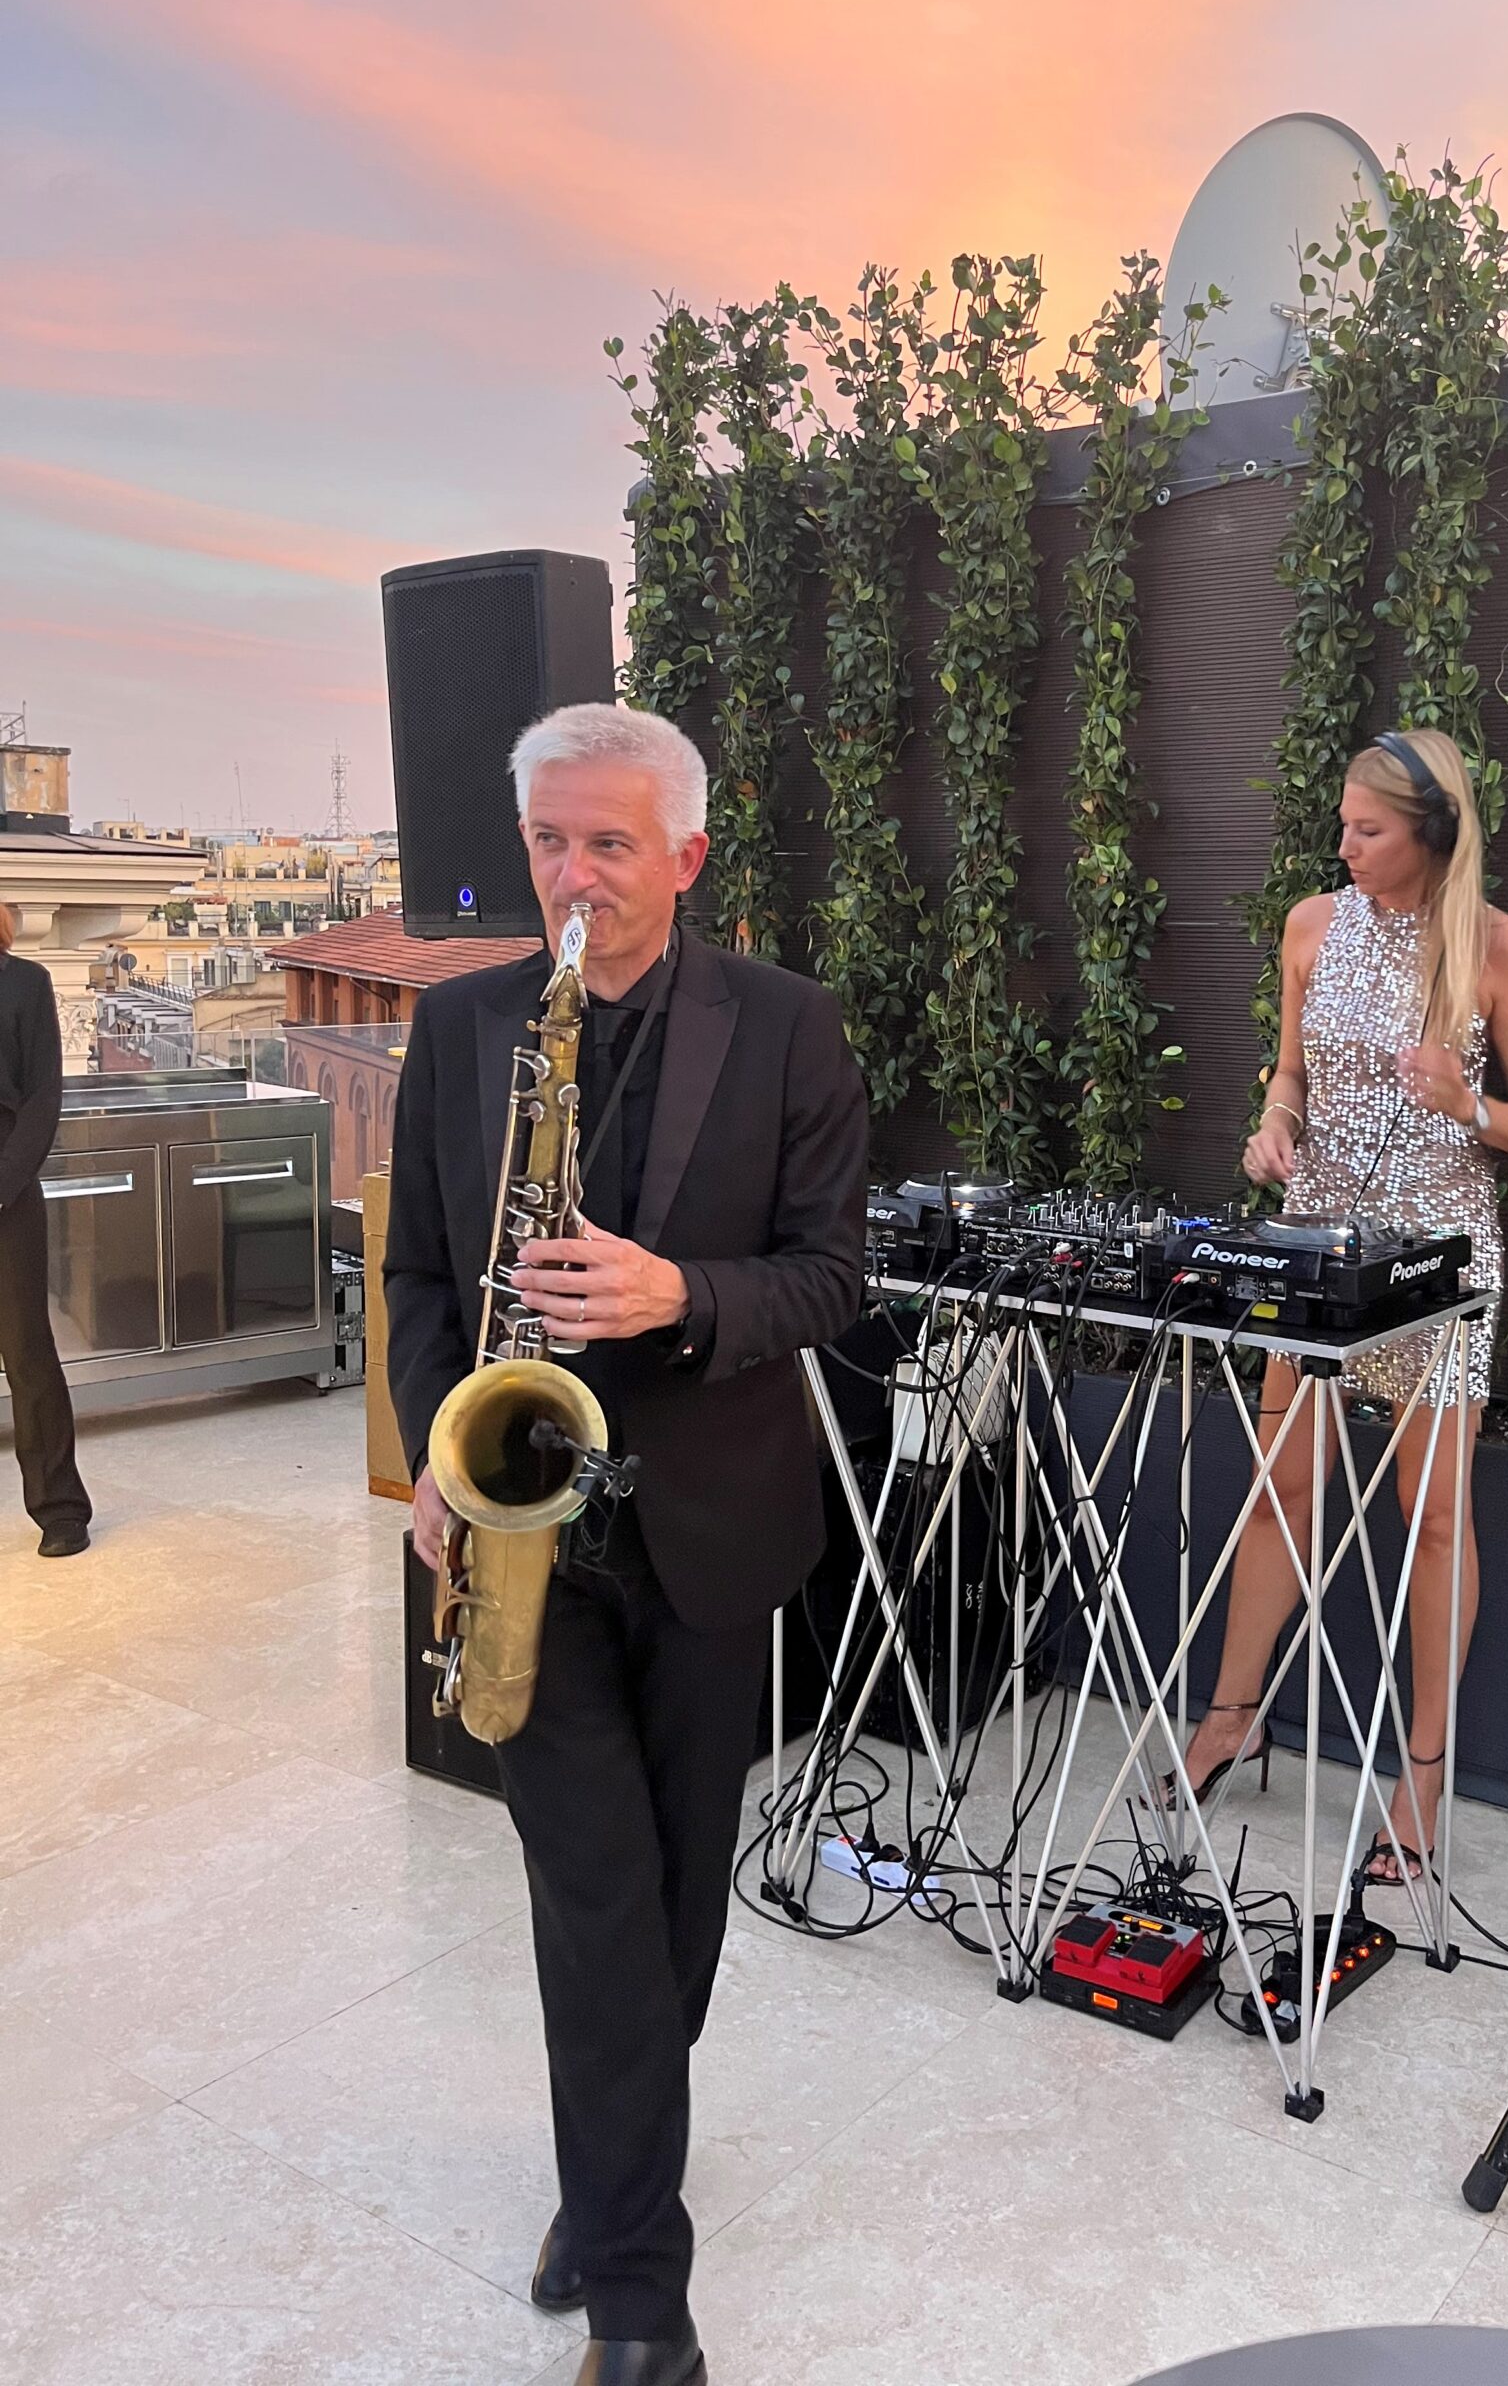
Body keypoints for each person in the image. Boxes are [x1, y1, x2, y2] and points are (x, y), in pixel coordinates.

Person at [385, 704, 868, 2386]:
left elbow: (833, 1276)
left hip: (710, 1530)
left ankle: (607, 2183)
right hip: (523, 1526)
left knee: (675, 1912)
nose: (574, 875)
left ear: (687, 853)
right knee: (591, 1897)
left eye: (609, 842)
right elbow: (421, 1278)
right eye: (549, 841)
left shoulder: (789, 1026)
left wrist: (680, 1293)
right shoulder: (459, 1027)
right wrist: (436, 1455)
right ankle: (641, 2305)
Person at [1178, 729, 1508, 1883]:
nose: (1343, 844)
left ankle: (1424, 1774)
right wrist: (1276, 1121)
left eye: (1368, 828)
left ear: (1432, 833)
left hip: (1438, 1266)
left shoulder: (1499, 948)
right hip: (1315, 1250)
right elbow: (1290, 1069)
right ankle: (1232, 1715)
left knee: (1430, 1513)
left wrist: (1467, 1105)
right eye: (1343, 823)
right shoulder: (1311, 925)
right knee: (1281, 1486)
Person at [0, 905, 92, 1557]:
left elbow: (41, 1100)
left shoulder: (26, 984)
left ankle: (61, 1511)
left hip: (7, 1197)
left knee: (28, 1353)